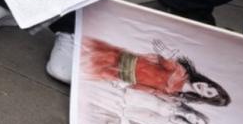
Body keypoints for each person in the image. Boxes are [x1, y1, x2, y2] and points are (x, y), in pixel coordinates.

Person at [82, 38, 231, 106]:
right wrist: (166, 54)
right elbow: (167, 62)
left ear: (204, 97)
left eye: (209, 93)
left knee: (88, 70)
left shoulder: (175, 96)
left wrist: (126, 86)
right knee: (88, 54)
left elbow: (151, 91)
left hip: (120, 75)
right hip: (121, 60)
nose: (205, 87)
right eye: (210, 85)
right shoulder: (181, 73)